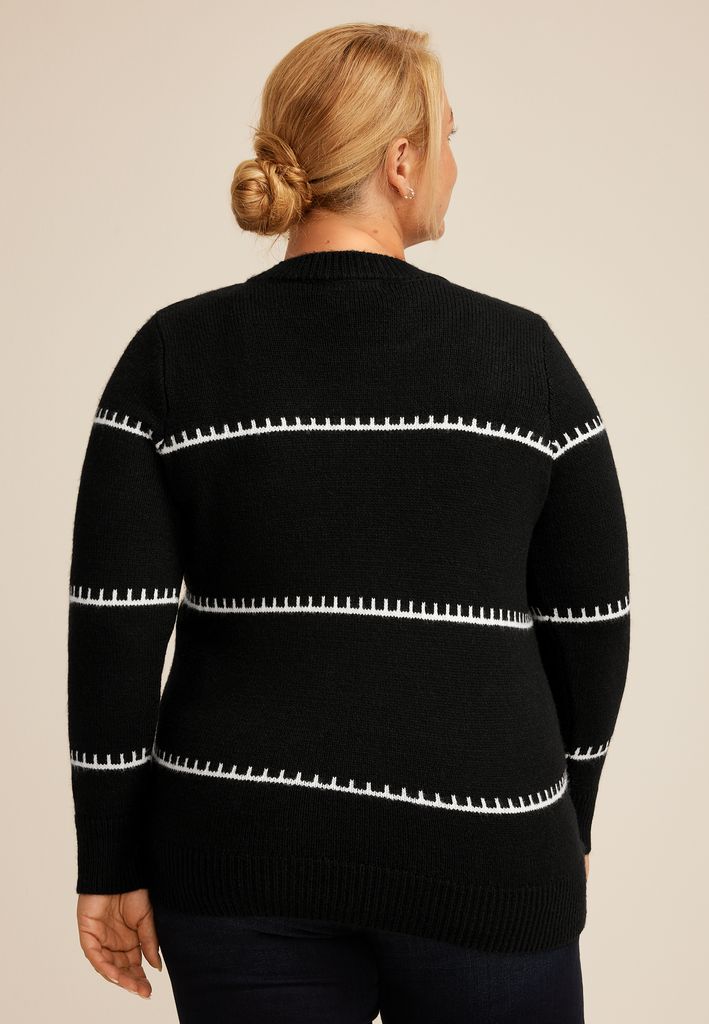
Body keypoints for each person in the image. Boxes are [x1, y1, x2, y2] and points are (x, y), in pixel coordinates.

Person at [67, 22, 630, 1024]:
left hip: (237, 856)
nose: (453, 164)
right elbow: (591, 622)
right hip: (484, 849)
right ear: (400, 161)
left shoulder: (173, 355)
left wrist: (108, 859)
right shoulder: (524, 361)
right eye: (448, 136)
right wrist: (564, 817)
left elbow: (114, 622)